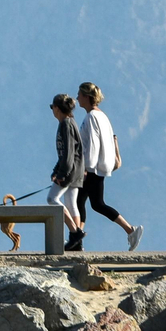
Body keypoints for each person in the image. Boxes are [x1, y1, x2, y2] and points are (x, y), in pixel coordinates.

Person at [76, 81, 144, 250]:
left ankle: (129, 230)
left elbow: (92, 144)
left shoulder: (91, 117)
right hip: (100, 167)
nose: (77, 98)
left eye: (79, 95)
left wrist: (86, 167)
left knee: (88, 203)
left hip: (92, 167)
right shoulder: (102, 115)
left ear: (86, 97)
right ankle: (77, 238)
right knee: (87, 202)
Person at [47, 93, 86, 250]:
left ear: (57, 108)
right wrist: (56, 170)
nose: (52, 111)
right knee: (71, 203)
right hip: (76, 170)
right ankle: (77, 243)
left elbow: (68, 152)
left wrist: (62, 174)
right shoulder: (70, 123)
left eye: (52, 107)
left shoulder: (66, 125)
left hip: (70, 171)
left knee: (52, 199)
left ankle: (75, 233)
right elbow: (66, 153)